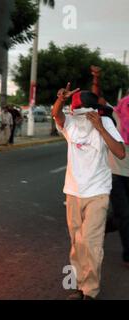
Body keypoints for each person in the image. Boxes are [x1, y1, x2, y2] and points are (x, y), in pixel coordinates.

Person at [52, 83, 125, 300]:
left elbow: (120, 152)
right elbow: (56, 115)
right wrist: (60, 100)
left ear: (93, 111)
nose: (80, 115)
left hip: (97, 192)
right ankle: (80, 285)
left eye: (84, 111)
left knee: (91, 243)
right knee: (77, 242)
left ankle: (90, 291)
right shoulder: (71, 122)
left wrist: (101, 129)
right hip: (73, 191)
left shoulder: (105, 123)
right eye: (76, 110)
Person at [109, 90, 129, 268]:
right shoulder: (117, 113)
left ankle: (103, 227)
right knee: (124, 214)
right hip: (116, 172)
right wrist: (96, 79)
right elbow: (96, 99)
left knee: (120, 216)